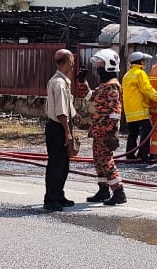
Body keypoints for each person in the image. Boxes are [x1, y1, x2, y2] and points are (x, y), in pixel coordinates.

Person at [86, 49, 126, 206]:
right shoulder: (104, 85)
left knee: (106, 161)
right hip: (98, 131)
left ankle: (119, 192)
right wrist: (83, 82)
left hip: (105, 131)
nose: (98, 67)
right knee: (98, 161)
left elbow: (115, 110)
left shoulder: (112, 86)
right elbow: (91, 97)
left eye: (100, 64)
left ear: (109, 65)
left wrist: (111, 132)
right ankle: (103, 190)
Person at [42, 48, 78, 211]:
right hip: (58, 127)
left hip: (58, 126)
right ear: (67, 62)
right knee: (56, 164)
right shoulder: (60, 83)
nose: (73, 64)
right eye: (72, 61)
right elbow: (61, 111)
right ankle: (51, 199)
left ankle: (58, 194)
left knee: (63, 164)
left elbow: (67, 107)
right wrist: (67, 132)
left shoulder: (59, 80)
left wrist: (75, 116)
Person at [122, 51, 157, 161]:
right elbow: (147, 90)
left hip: (129, 111)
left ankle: (130, 155)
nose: (144, 63)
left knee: (133, 132)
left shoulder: (127, 75)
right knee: (147, 130)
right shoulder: (140, 73)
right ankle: (143, 155)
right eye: (143, 61)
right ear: (140, 62)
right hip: (140, 110)